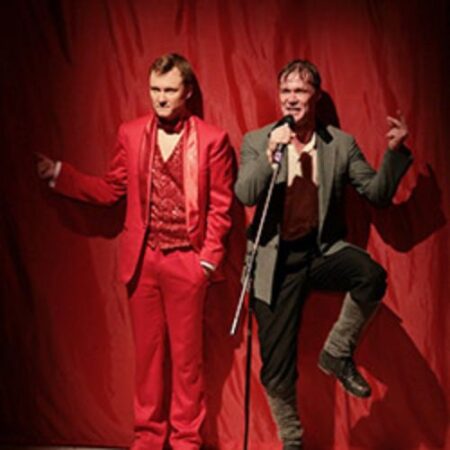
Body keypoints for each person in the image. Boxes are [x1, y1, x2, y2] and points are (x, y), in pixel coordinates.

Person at [36, 53, 235, 450]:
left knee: (187, 362)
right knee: (147, 359)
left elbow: (221, 206)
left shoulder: (213, 140)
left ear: (187, 92)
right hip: (143, 262)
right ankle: (147, 439)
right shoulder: (130, 133)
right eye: (155, 89)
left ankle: (186, 441)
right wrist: (60, 174)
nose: (160, 98)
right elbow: (112, 189)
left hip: (187, 260)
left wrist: (206, 261)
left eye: (169, 90)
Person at [234, 59, 411, 450]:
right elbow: (245, 194)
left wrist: (395, 153)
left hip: (320, 252)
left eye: (300, 90)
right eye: (285, 91)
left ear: (315, 96)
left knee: (370, 275)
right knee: (276, 369)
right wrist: (270, 152)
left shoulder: (340, 145)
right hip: (275, 262)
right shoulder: (258, 140)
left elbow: (377, 194)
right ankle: (292, 441)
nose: (291, 98)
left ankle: (336, 353)